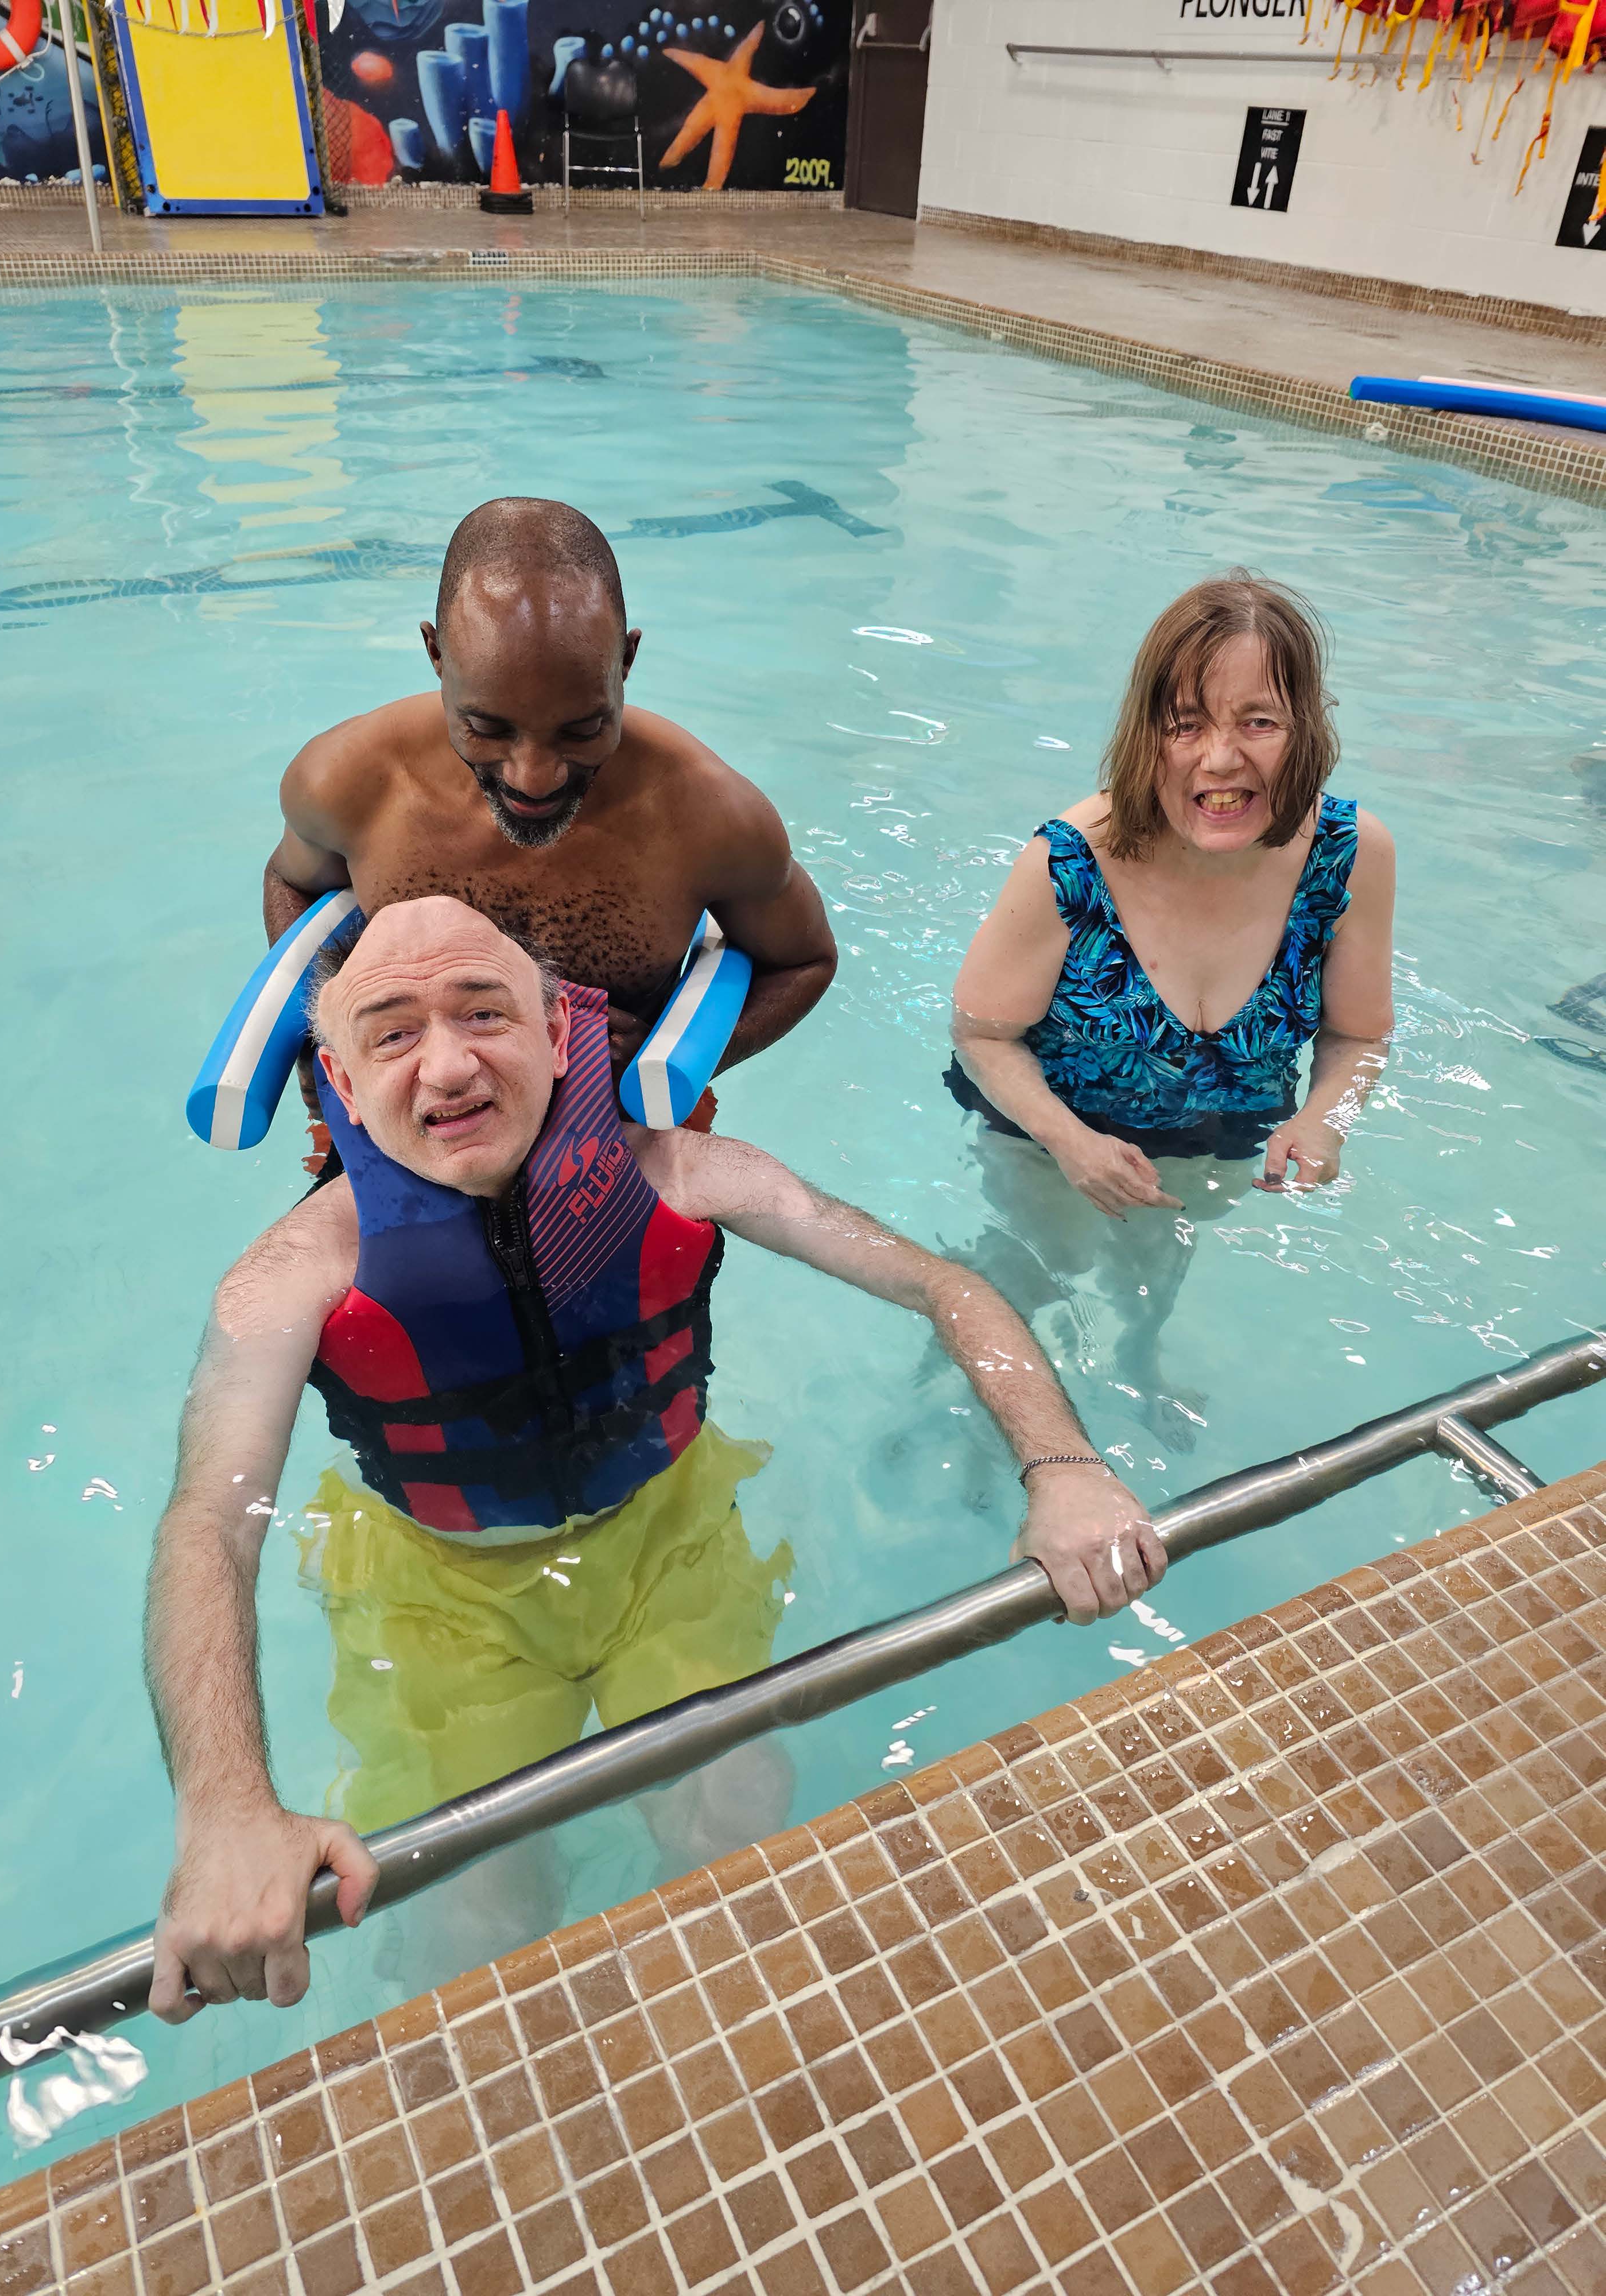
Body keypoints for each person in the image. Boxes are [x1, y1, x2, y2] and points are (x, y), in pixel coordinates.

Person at [145, 897, 1158, 2022]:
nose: (447, 1063)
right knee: (474, 1926)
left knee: (738, 1838)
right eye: (392, 1032)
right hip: (441, 1592)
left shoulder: (684, 1174)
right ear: (337, 1079)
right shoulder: (292, 1274)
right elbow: (210, 1521)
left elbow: (941, 1283)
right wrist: (226, 1807)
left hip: (670, 1538)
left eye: (484, 1012)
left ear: (557, 1034)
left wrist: (1063, 1467)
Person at [946, 572, 1395, 1442]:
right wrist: (1071, 1143)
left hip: (1218, 1136)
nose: (1220, 760)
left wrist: (1326, 1117)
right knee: (1037, 1267)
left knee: (1156, 1271)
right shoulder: (1070, 862)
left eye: (1257, 722)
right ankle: (980, 1418)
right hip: (1049, 1134)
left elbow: (1359, 1034)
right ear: (1145, 734)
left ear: (1307, 728)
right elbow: (980, 1033)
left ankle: (1138, 1366)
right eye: (1186, 724)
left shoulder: (1349, 854)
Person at [266, 495, 836, 1146]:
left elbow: (803, 961)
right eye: (487, 728)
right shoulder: (349, 781)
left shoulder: (710, 818)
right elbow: (295, 882)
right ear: (435, 655)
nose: (533, 778)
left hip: (617, 1135)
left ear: (626, 661)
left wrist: (672, 1056)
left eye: (583, 729)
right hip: (414, 1136)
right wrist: (322, 1027)